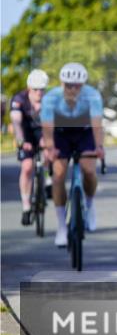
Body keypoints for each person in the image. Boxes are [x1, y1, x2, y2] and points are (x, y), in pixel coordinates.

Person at [41, 63, 105, 247]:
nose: (72, 89)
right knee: (58, 175)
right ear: (62, 83)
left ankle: (90, 205)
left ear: (83, 85)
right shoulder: (51, 98)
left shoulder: (92, 95)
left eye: (77, 85)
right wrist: (50, 149)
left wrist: (99, 146)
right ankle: (62, 226)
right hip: (60, 134)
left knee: (89, 171)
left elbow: (96, 123)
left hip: (84, 133)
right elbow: (47, 127)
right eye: (68, 84)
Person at [10, 69, 50, 226]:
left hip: (42, 132)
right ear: (29, 88)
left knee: (48, 153)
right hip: (25, 134)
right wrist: (21, 141)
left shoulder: (49, 100)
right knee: (27, 167)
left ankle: (47, 179)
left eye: (42, 89)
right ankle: (26, 205)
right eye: (35, 89)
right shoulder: (19, 99)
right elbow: (16, 122)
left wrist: (49, 140)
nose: (39, 92)